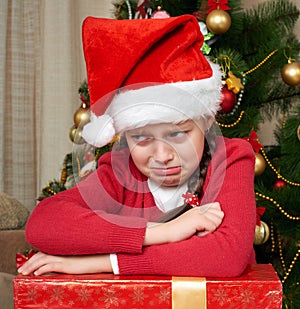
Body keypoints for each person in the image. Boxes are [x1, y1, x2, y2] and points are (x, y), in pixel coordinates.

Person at [18, 15, 256, 278]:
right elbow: (44, 223)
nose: (162, 156)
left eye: (178, 134)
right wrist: (163, 231)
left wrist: (103, 262)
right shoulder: (122, 171)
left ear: (207, 120)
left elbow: (226, 256)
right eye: (142, 138)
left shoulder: (230, 158)